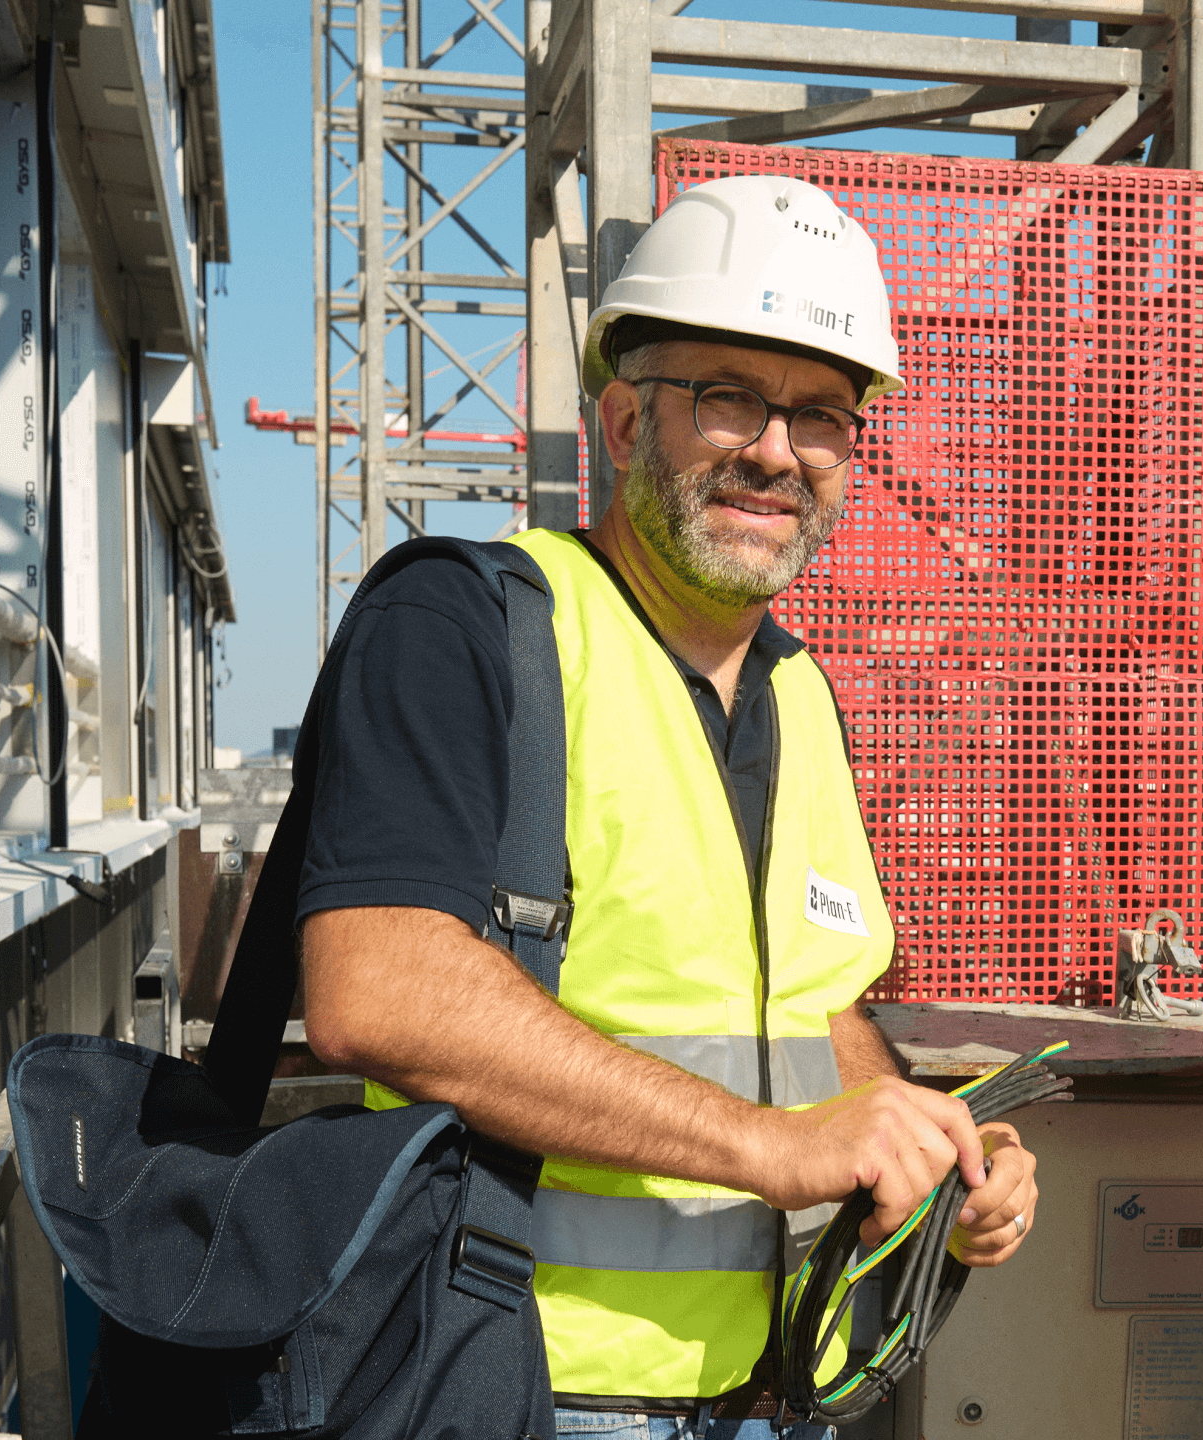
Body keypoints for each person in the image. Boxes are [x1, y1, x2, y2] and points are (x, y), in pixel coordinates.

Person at [295, 174, 1041, 1439]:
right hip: (514, 1383)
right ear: (627, 420)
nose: (774, 450)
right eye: (728, 399)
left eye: (820, 415)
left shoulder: (802, 697)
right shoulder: (469, 625)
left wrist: (927, 1150)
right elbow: (382, 992)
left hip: (769, 1395)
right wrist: (765, 1145)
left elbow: (819, 1014)